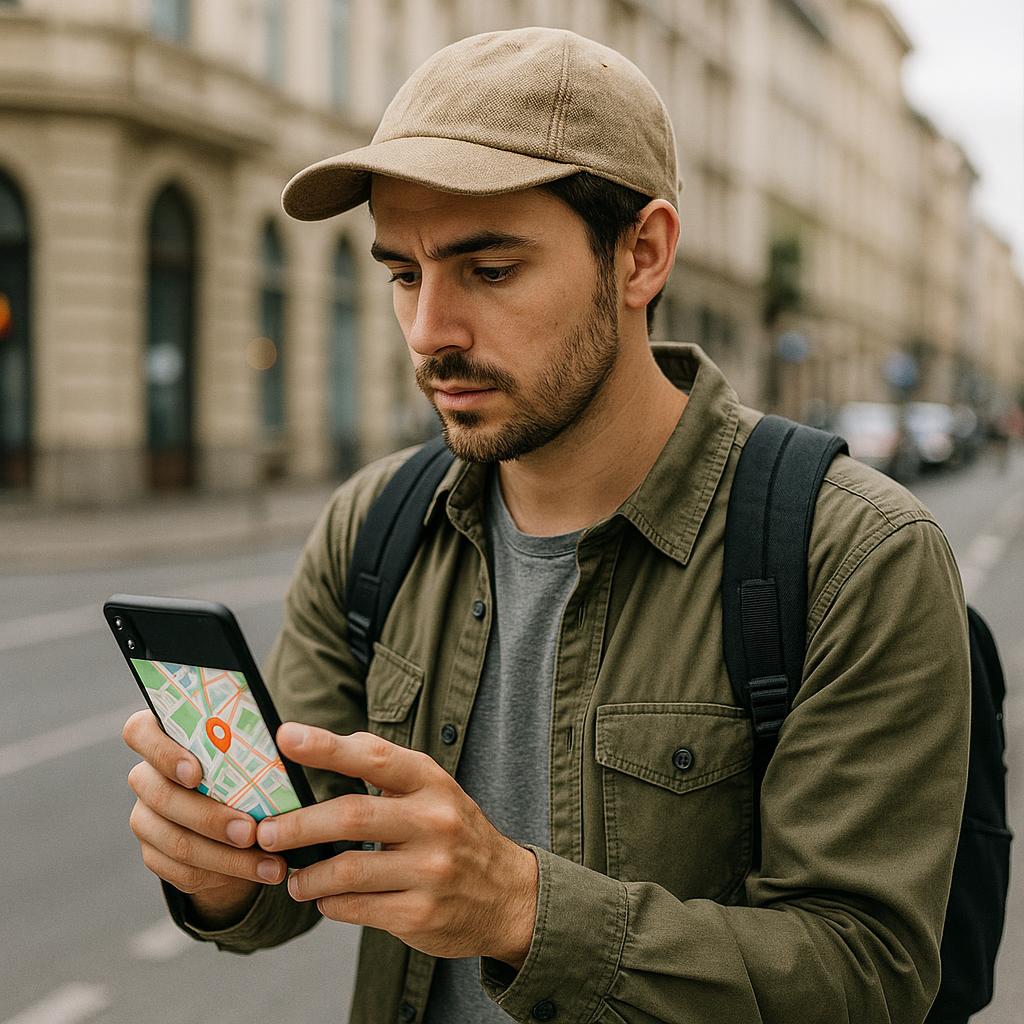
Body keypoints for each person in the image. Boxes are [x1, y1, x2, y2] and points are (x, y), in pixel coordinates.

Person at [121, 27, 970, 1024]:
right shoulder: (371, 528)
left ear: (641, 255)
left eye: (488, 270)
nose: (431, 329)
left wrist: (520, 908)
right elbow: (288, 880)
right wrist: (220, 869)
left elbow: (869, 977)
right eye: (403, 274)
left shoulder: (851, 556)